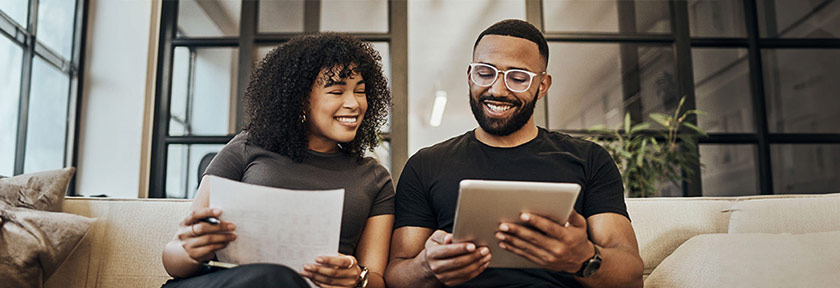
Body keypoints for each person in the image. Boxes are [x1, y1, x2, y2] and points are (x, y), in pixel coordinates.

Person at [384, 19, 644, 288]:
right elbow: (396, 275)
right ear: (469, 75)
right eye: (485, 73)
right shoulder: (426, 165)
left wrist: (583, 259)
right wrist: (427, 265)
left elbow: (632, 277)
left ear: (542, 86)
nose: (497, 90)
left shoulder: (589, 159)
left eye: (517, 78)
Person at [161, 33, 394, 288]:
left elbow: (378, 280)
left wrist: (357, 278)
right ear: (301, 100)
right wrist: (191, 249)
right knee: (275, 277)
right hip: (222, 283)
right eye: (337, 91)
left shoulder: (374, 178)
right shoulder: (247, 147)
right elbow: (173, 260)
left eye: (360, 91)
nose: (353, 103)